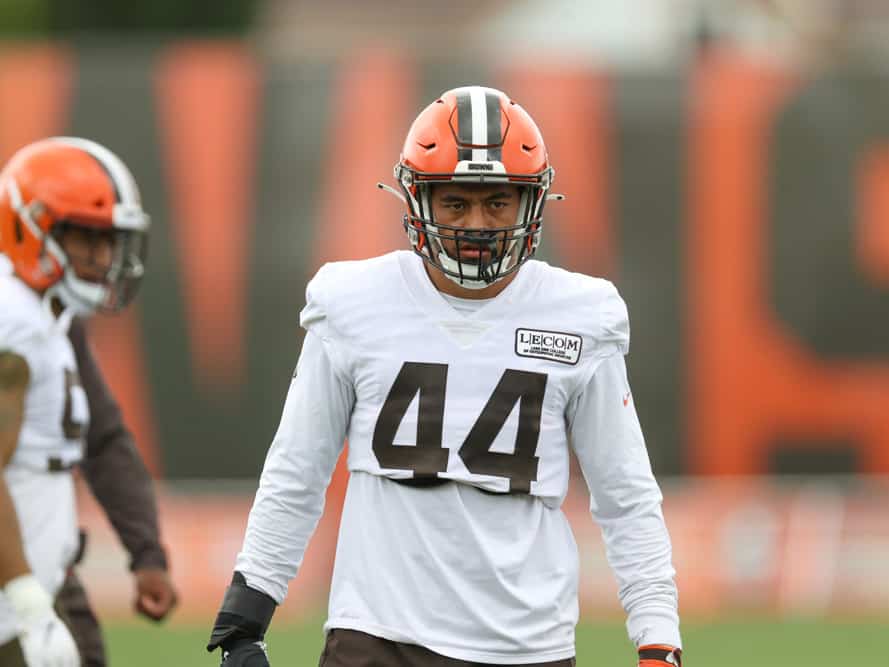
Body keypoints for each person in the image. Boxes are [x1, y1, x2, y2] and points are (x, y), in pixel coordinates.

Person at [207, 86, 682, 667]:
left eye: (497, 203)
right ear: (418, 202)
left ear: (530, 204)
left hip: (526, 645)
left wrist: (657, 636)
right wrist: (246, 613)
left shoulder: (581, 314)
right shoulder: (354, 302)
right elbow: (297, 469)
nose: (478, 224)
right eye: (455, 203)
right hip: (376, 635)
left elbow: (625, 496)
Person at [0, 137, 177, 667]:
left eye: (110, 243)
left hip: (40, 575)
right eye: (88, 240)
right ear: (31, 227)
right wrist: (25, 596)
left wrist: (145, 549)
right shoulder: (18, 326)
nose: (104, 260)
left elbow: (103, 436)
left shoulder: (46, 314)